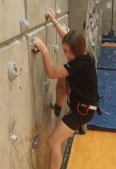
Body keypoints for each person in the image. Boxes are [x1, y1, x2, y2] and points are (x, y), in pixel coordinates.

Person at [32, 9, 100, 169]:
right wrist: (54, 21)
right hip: (85, 103)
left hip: (81, 111)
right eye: (64, 51)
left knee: (53, 142)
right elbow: (67, 38)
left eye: (67, 52)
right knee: (63, 79)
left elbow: (51, 73)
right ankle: (58, 107)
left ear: (76, 51)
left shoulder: (78, 64)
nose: (66, 54)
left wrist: (44, 50)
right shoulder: (85, 52)